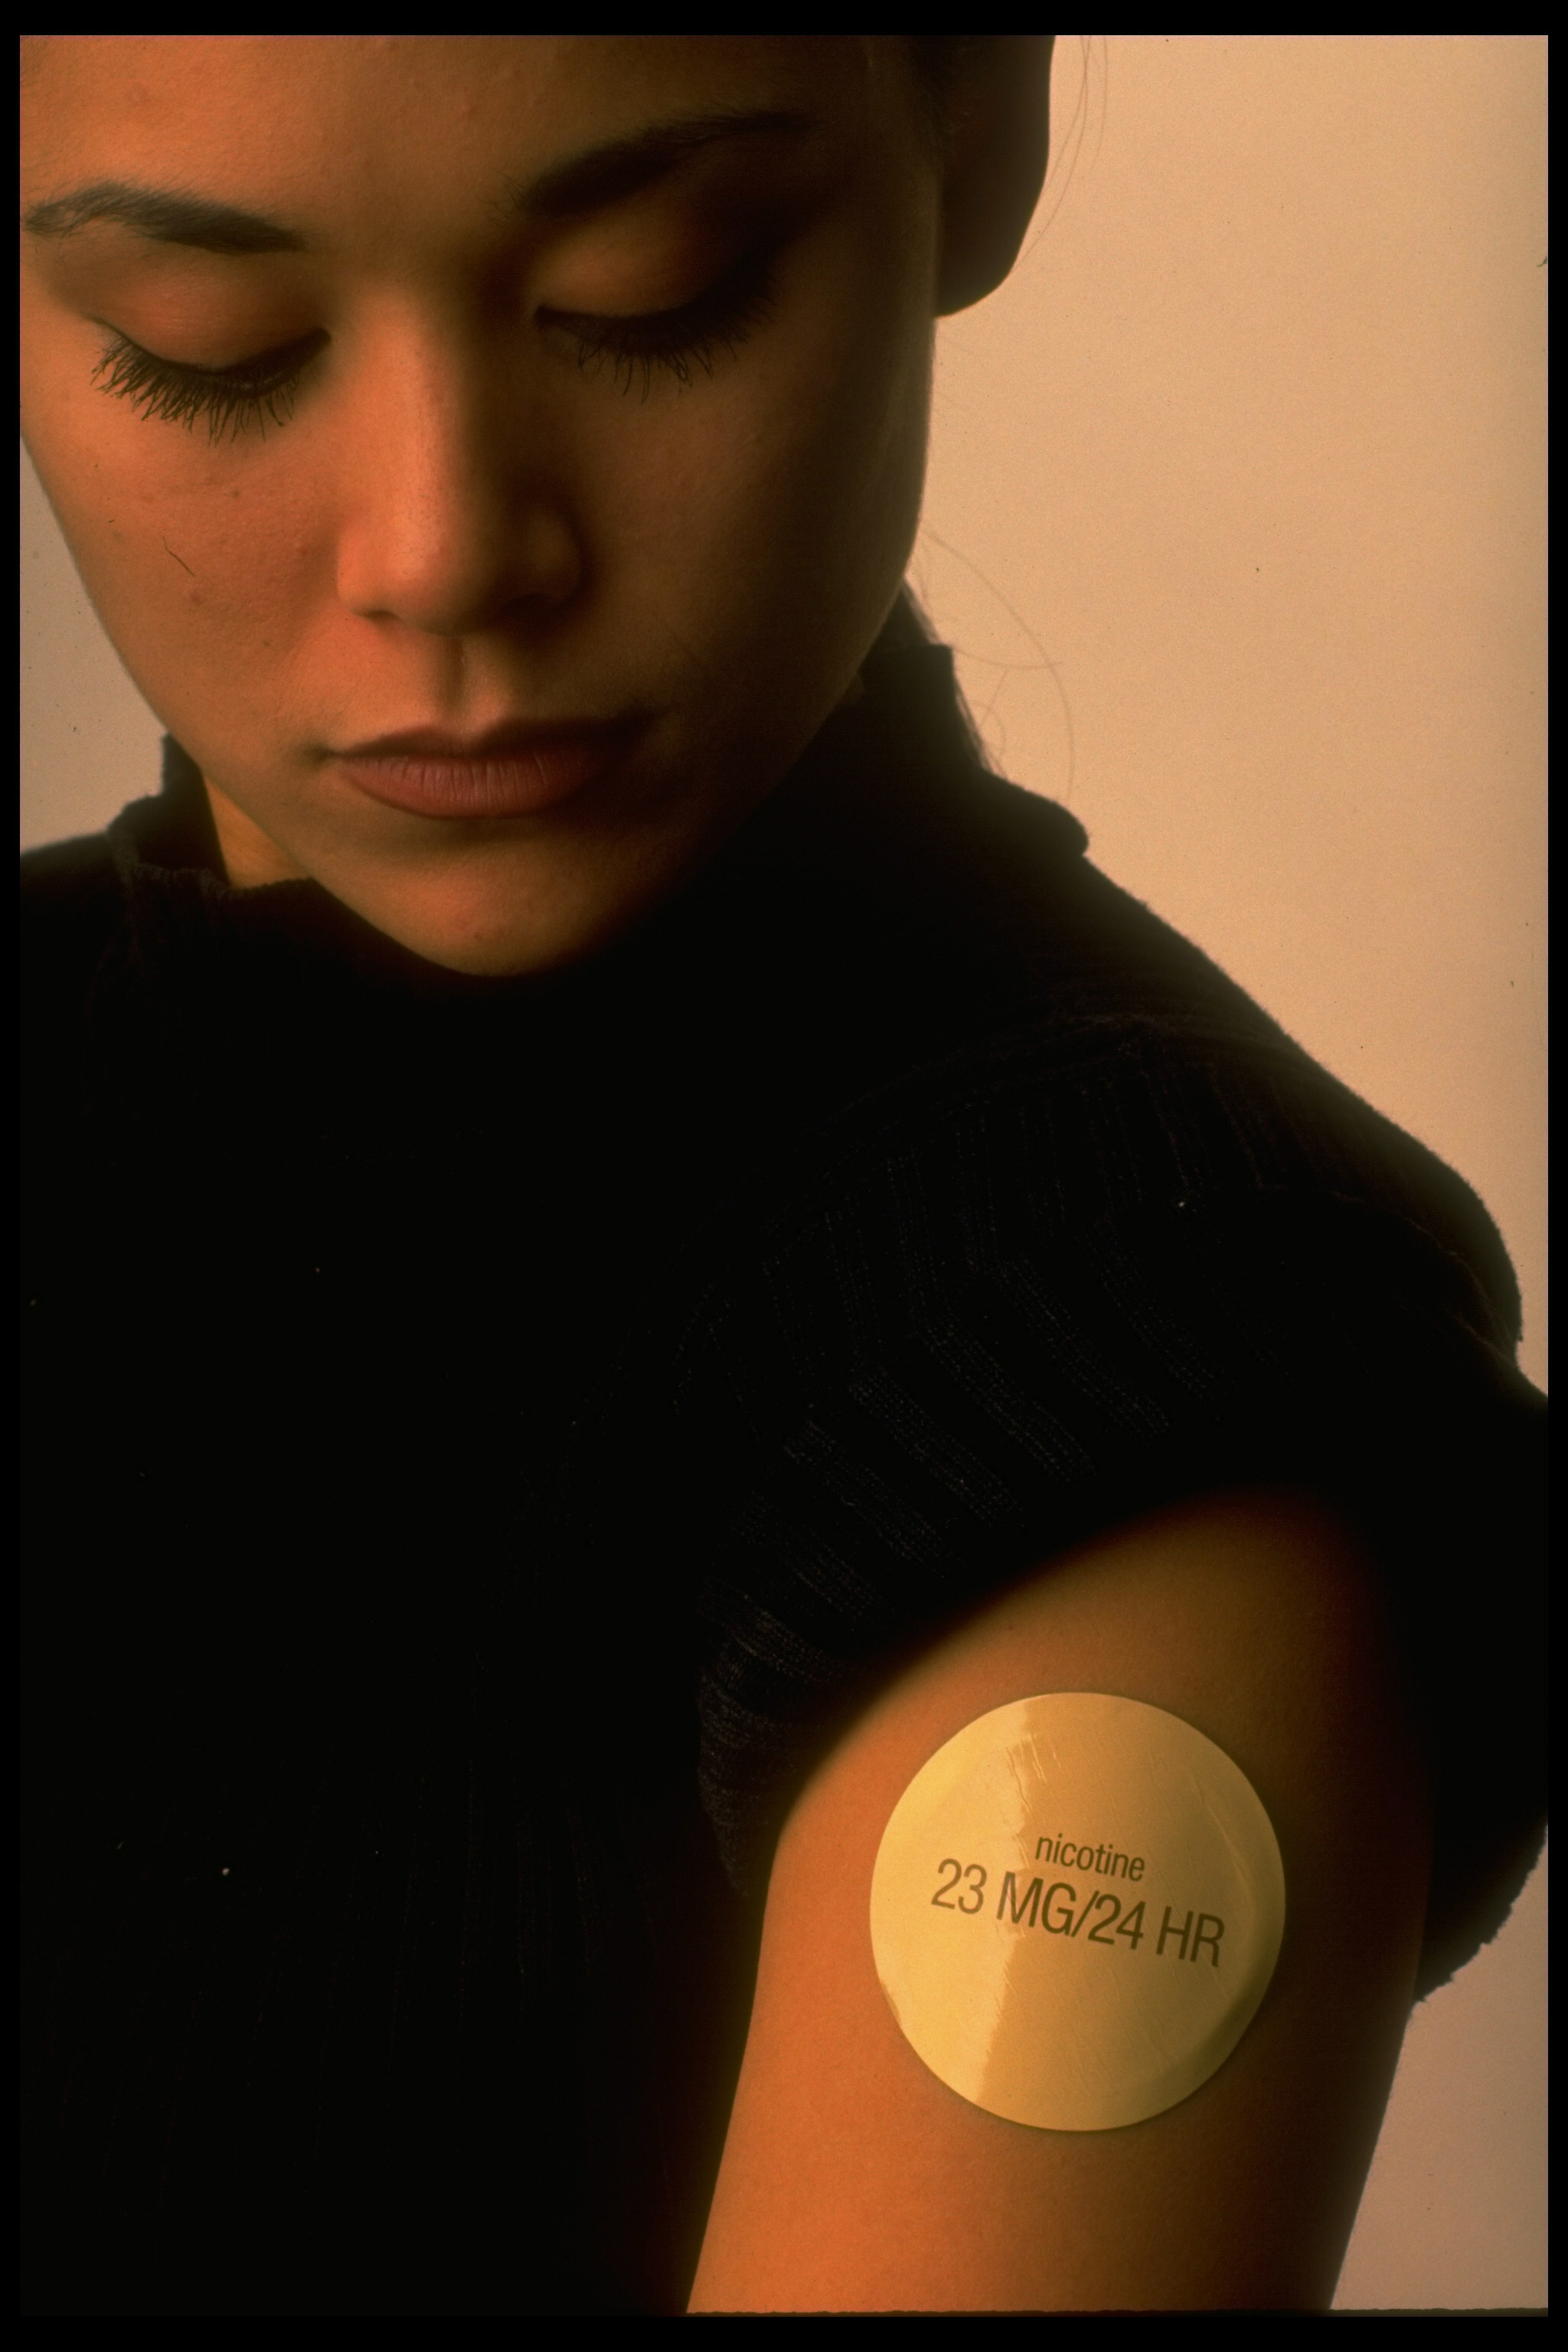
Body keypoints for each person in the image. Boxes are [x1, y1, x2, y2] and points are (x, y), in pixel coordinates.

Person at [19, 35, 1544, 2317]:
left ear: (984, 132)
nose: (450, 555)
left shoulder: (1127, 1380)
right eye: (206, 341)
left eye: (657, 288)